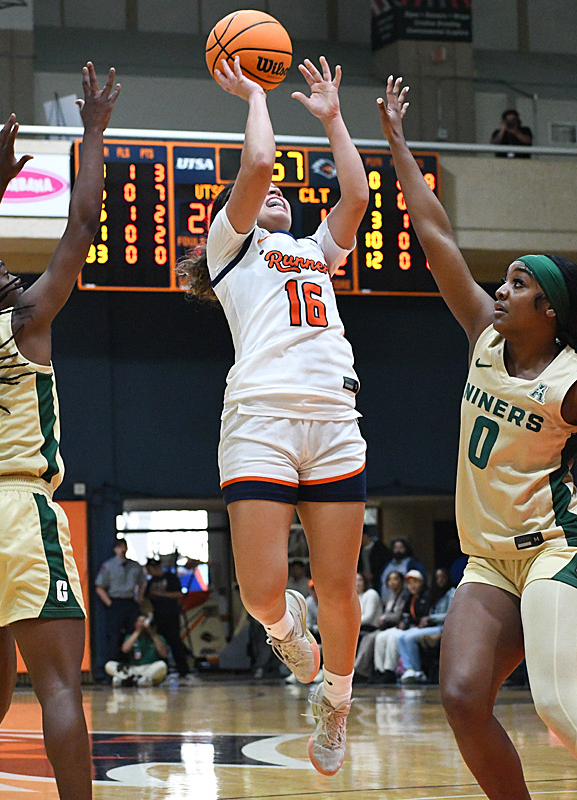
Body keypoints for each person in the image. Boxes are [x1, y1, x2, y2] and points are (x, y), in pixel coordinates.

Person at [378, 75, 577, 799]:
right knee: (463, 698)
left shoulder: (571, 379)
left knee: (559, 709)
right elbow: (436, 239)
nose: (501, 289)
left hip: (553, 550)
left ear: (549, 311)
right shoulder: (484, 338)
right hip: (488, 560)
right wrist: (398, 144)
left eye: (518, 285)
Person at [178, 54, 369, 776]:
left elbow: (356, 195)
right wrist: (256, 95)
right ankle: (287, 629)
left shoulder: (315, 250)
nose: (277, 192)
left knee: (339, 585)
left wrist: (333, 118)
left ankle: (336, 700)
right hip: (260, 418)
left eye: (286, 193)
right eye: (266, 196)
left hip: (334, 420)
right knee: (260, 594)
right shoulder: (232, 249)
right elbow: (258, 162)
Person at [0, 62, 119, 800]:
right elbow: (82, 226)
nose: (7, 264)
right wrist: (92, 132)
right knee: (60, 687)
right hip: (17, 512)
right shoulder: (24, 323)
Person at [95, 537, 146, 678]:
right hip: (115, 602)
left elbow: (143, 583)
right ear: (115, 549)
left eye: (124, 547)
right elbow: (99, 587)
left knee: (132, 634)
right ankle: (114, 670)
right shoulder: (108, 566)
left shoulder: (135, 566)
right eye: (119, 547)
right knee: (114, 637)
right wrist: (110, 604)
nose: (122, 550)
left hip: (130, 602)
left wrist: (139, 598)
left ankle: (133, 667)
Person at [398, 567, 455, 684]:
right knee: (401, 636)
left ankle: (417, 671)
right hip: (432, 626)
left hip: (443, 627)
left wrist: (431, 618)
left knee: (409, 637)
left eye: (443, 577)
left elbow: (452, 615)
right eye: (437, 577)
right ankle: (409, 669)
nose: (440, 580)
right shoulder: (435, 593)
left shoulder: (452, 593)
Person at [373, 569, 429, 684]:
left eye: (415, 582)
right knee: (380, 637)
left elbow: (423, 616)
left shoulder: (426, 596)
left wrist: (407, 622)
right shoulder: (408, 597)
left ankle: (390, 670)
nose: (412, 586)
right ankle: (380, 670)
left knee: (394, 637)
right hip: (406, 626)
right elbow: (404, 615)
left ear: (421, 582)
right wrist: (404, 622)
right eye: (409, 583)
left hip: (416, 627)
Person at [353, 569, 405, 680]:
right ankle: (379, 670)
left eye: (360, 580)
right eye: (390, 580)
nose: (357, 583)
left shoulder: (371, 594)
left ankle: (360, 670)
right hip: (374, 627)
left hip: (373, 627)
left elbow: (369, 616)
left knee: (372, 638)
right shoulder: (391, 597)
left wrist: (351, 624)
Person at [145, 557, 190, 678]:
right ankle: (162, 668)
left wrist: (161, 594)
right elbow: (146, 597)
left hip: (171, 614)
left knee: (174, 641)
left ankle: (183, 669)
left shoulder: (170, 578)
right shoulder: (151, 581)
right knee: (159, 641)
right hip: (157, 615)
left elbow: (179, 594)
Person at [104, 613, 169, 687]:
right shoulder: (130, 636)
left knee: (162, 665)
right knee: (109, 665)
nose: (143, 625)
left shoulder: (158, 637)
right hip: (133, 668)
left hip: (149, 667)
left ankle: (140, 679)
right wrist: (137, 631)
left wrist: (153, 634)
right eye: (140, 622)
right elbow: (125, 649)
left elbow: (164, 654)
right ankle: (131, 679)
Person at [379, 537, 426, 601]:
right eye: (395, 548)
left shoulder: (412, 563)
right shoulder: (387, 565)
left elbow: (420, 580)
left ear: (406, 548)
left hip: (406, 601)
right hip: (387, 601)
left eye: (401, 547)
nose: (398, 550)